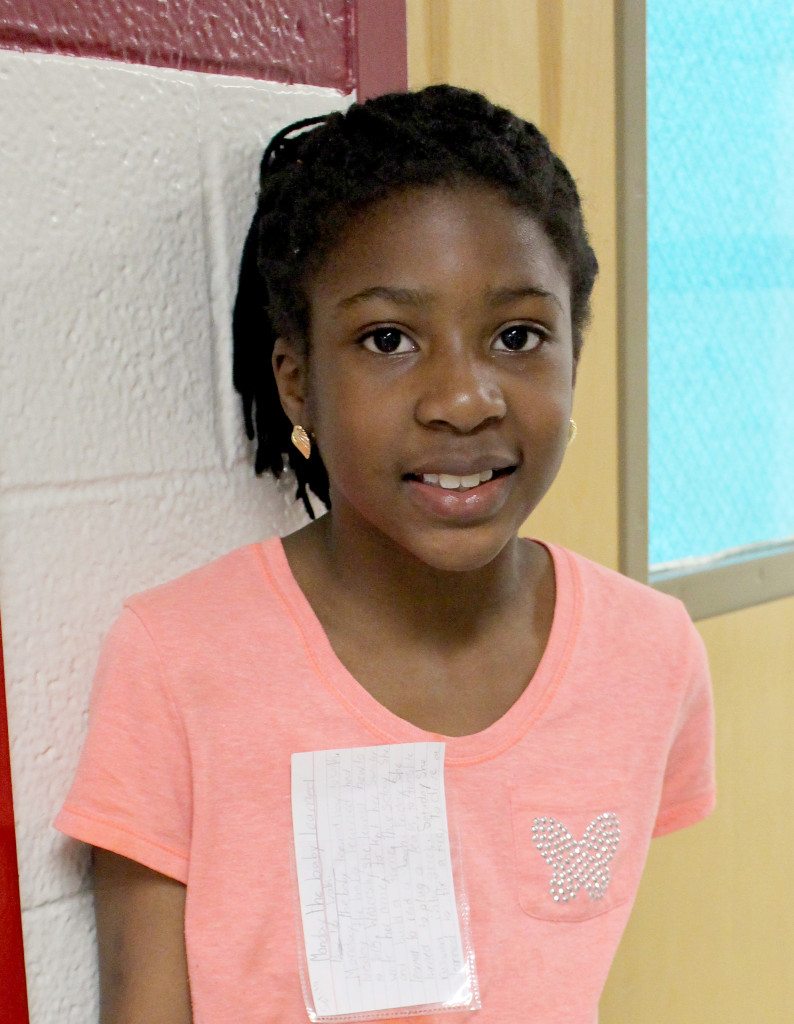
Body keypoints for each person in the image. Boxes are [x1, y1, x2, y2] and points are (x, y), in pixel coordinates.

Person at [56, 85, 715, 1023]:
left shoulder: (652, 654)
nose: (463, 398)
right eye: (389, 339)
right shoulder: (177, 660)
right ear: (296, 379)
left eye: (518, 336)